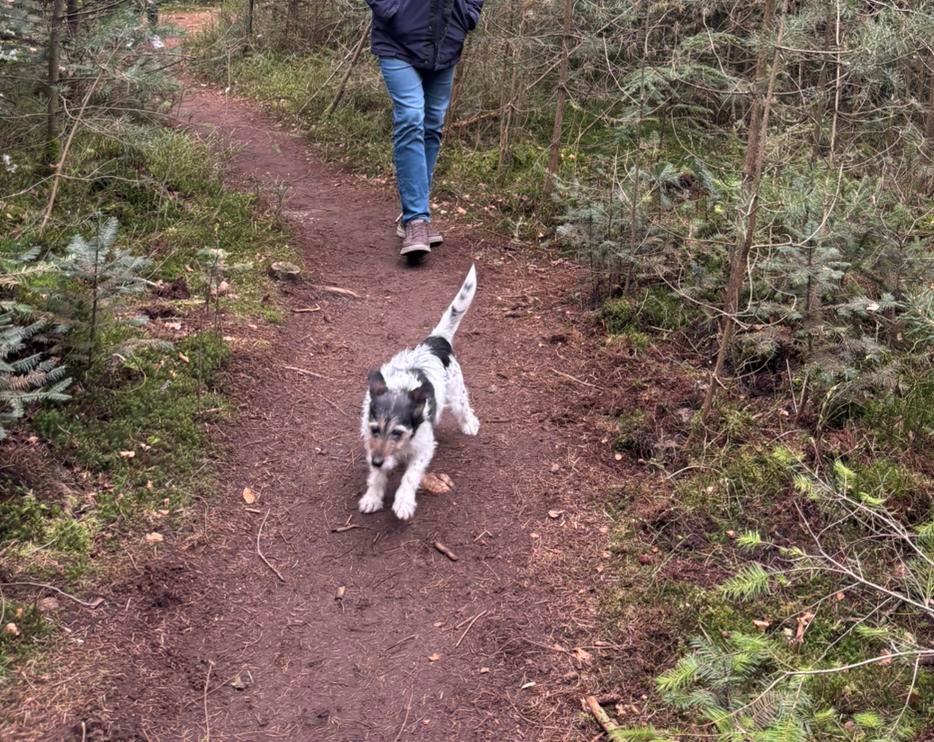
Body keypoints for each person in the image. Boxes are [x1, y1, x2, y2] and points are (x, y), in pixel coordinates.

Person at [365, 0, 484, 258]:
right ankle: (417, 220)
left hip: (446, 43)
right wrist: (392, 10)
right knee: (410, 116)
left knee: (432, 125)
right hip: (396, 40)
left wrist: (467, 14)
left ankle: (414, 215)